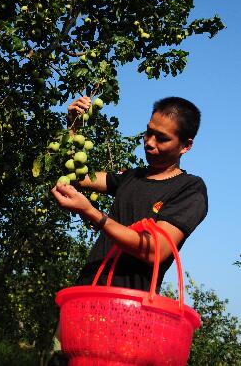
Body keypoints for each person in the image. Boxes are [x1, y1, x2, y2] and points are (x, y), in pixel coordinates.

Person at [48, 96, 208, 362]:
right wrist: (72, 128)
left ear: (186, 146)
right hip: (82, 303)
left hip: (125, 315)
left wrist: (91, 212)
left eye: (162, 138)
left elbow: (154, 250)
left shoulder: (190, 189)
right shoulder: (131, 177)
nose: (149, 143)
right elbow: (76, 175)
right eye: (148, 132)